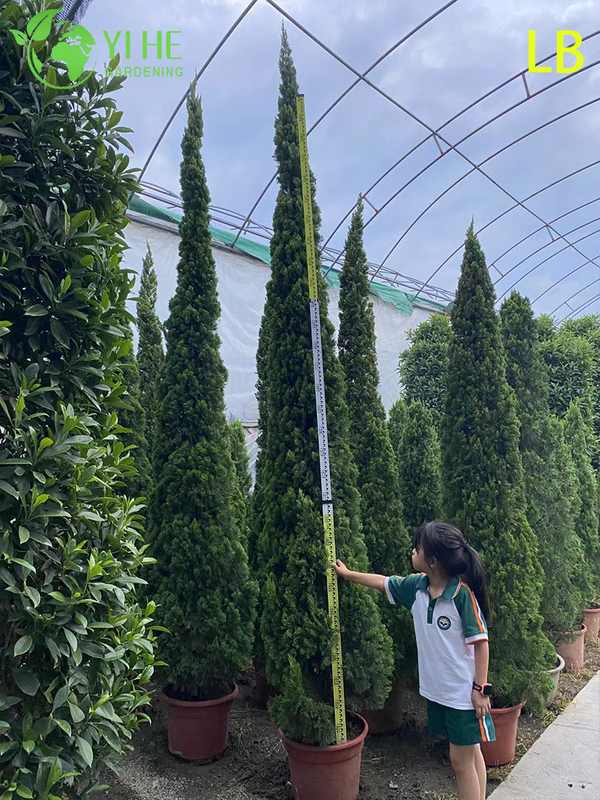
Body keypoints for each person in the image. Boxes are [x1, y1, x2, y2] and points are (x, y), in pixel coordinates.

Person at [334, 520, 494, 800]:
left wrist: (480, 689)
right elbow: (383, 582)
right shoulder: (416, 587)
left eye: (416, 548)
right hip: (440, 692)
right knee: (470, 753)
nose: (412, 551)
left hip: (462, 696)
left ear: (431, 561)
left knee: (460, 760)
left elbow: (481, 644)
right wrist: (348, 575)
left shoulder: (461, 596)